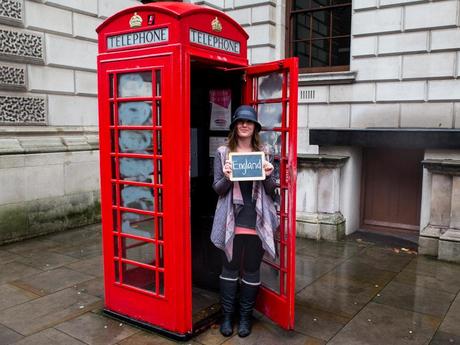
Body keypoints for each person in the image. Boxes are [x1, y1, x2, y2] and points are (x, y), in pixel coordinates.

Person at [211, 105, 279, 338]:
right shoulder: (223, 153)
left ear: (255, 127)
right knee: (229, 269)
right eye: (240, 121)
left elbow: (271, 191)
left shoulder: (264, 152)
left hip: (257, 221)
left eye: (249, 122)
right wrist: (228, 177)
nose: (244, 125)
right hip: (231, 220)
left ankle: (245, 318)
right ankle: (227, 317)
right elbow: (218, 189)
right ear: (234, 126)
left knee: (251, 270)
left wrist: (270, 175)